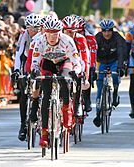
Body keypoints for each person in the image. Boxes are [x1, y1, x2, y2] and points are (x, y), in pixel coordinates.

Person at [30, 18, 81, 147]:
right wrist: (34, 71)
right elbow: (35, 63)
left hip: (64, 62)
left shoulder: (68, 41)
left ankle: (66, 109)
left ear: (60, 33)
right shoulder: (40, 41)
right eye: (49, 33)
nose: (51, 37)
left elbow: (76, 62)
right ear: (44, 33)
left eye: (55, 33)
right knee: (46, 95)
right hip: (48, 63)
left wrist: (75, 71)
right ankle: (45, 134)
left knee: (64, 80)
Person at [11, 13, 42, 141]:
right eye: (30, 28)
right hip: (27, 60)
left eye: (36, 28)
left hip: (40, 61)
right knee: (24, 92)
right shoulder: (24, 35)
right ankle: (23, 124)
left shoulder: (43, 36)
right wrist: (17, 70)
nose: (33, 31)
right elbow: (18, 54)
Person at [93, 19, 126, 127]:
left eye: (109, 31)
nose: (107, 33)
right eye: (104, 31)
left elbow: (121, 52)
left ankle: (115, 92)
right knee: (99, 88)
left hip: (114, 61)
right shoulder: (97, 37)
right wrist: (92, 68)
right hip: (101, 62)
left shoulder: (117, 37)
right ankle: (98, 115)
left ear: (112, 30)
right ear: (101, 30)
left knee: (115, 76)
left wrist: (121, 66)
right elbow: (92, 54)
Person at [62, 15, 90, 116]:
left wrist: (85, 77)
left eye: (72, 32)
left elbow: (85, 59)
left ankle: (77, 103)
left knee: (78, 76)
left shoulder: (81, 39)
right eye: (67, 31)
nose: (70, 34)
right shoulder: (60, 38)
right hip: (64, 61)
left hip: (77, 61)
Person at [77, 16, 98, 112]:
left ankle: (87, 98)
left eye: (80, 31)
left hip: (85, 59)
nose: (77, 34)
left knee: (87, 73)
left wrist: (92, 67)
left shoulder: (90, 38)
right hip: (73, 59)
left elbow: (92, 55)